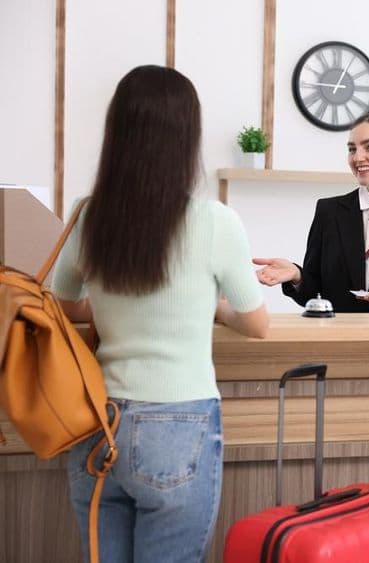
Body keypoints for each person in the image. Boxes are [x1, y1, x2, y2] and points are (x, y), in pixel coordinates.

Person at [52, 65, 269, 562]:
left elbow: (63, 304)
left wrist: (110, 309)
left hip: (95, 420)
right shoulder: (215, 221)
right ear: (187, 135)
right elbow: (256, 323)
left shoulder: (90, 213)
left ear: (119, 132)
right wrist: (208, 308)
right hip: (179, 422)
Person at [253, 113, 369, 312]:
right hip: (337, 339)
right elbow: (313, 294)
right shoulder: (329, 213)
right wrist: (297, 276)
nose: (357, 157)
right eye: (352, 149)